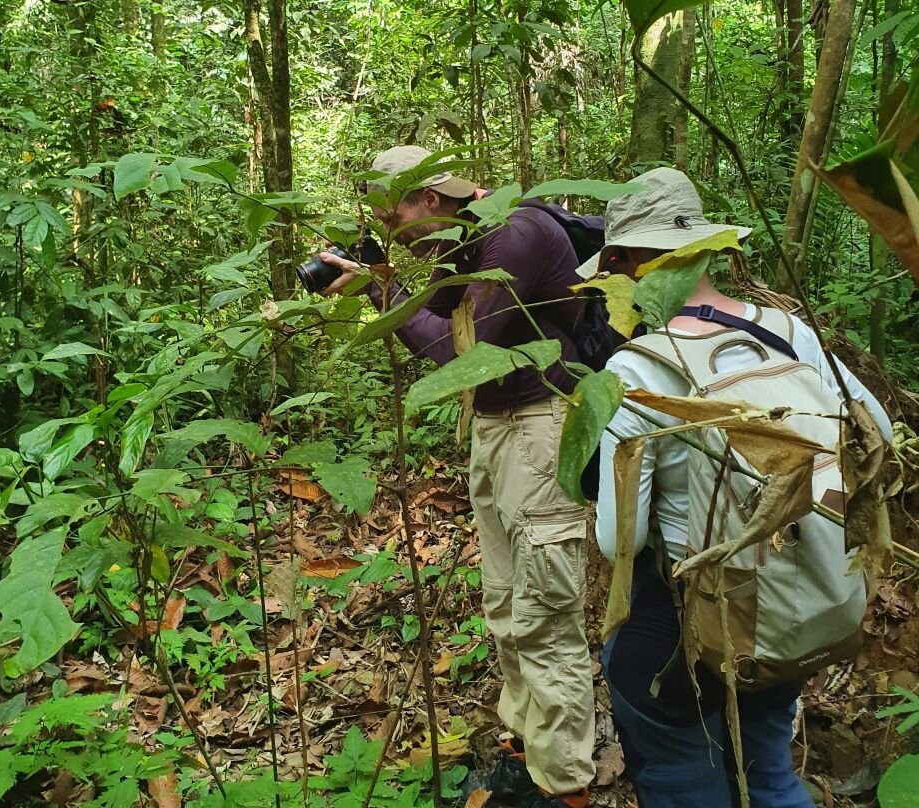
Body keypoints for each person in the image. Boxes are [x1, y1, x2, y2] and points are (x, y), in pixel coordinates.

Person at [589, 167, 893, 808]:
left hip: (691, 625)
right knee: (770, 773)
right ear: (708, 248)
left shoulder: (638, 366)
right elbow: (879, 434)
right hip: (791, 608)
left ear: (623, 263)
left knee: (680, 772)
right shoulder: (787, 330)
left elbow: (623, 539)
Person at [318, 146, 597, 808]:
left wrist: (376, 290)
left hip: (542, 425)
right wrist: (379, 270)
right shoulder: (457, 245)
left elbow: (456, 353)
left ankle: (566, 789)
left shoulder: (517, 234)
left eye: (397, 221)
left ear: (431, 201)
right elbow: (438, 315)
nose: (398, 235)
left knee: (545, 615)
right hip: (495, 430)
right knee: (504, 606)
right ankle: (525, 755)